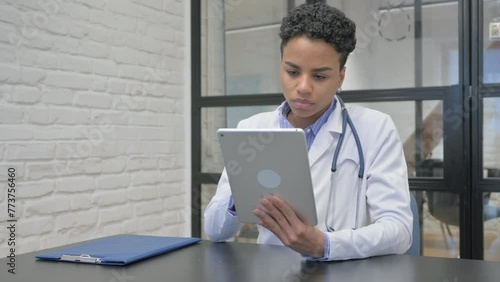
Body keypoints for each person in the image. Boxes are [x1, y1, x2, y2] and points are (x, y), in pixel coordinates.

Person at [204, 2, 413, 261]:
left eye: (320, 77)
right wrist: (241, 191)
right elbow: (215, 231)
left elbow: (399, 230)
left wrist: (325, 245)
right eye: (292, 72)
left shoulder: (375, 129)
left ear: (341, 77)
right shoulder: (252, 129)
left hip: (345, 273)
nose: (303, 87)